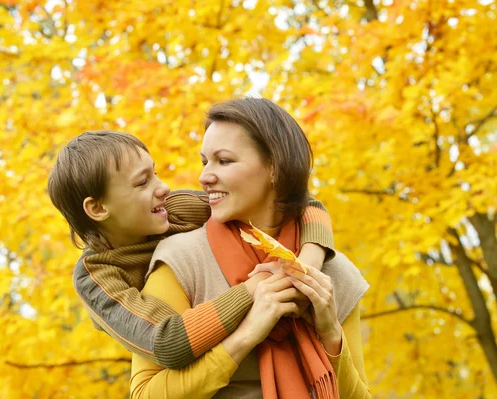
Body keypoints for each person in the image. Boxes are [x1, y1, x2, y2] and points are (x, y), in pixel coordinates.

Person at [130, 98, 371, 398]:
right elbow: (144, 394)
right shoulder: (182, 261)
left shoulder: (334, 273)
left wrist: (331, 334)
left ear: (274, 168)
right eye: (205, 162)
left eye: (224, 160)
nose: (204, 176)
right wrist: (244, 337)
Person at [47, 130, 336, 369]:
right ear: (98, 208)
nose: (163, 188)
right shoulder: (96, 278)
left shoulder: (174, 209)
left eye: (155, 173)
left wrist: (306, 266)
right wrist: (255, 287)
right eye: (142, 182)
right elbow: (167, 342)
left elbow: (299, 205)